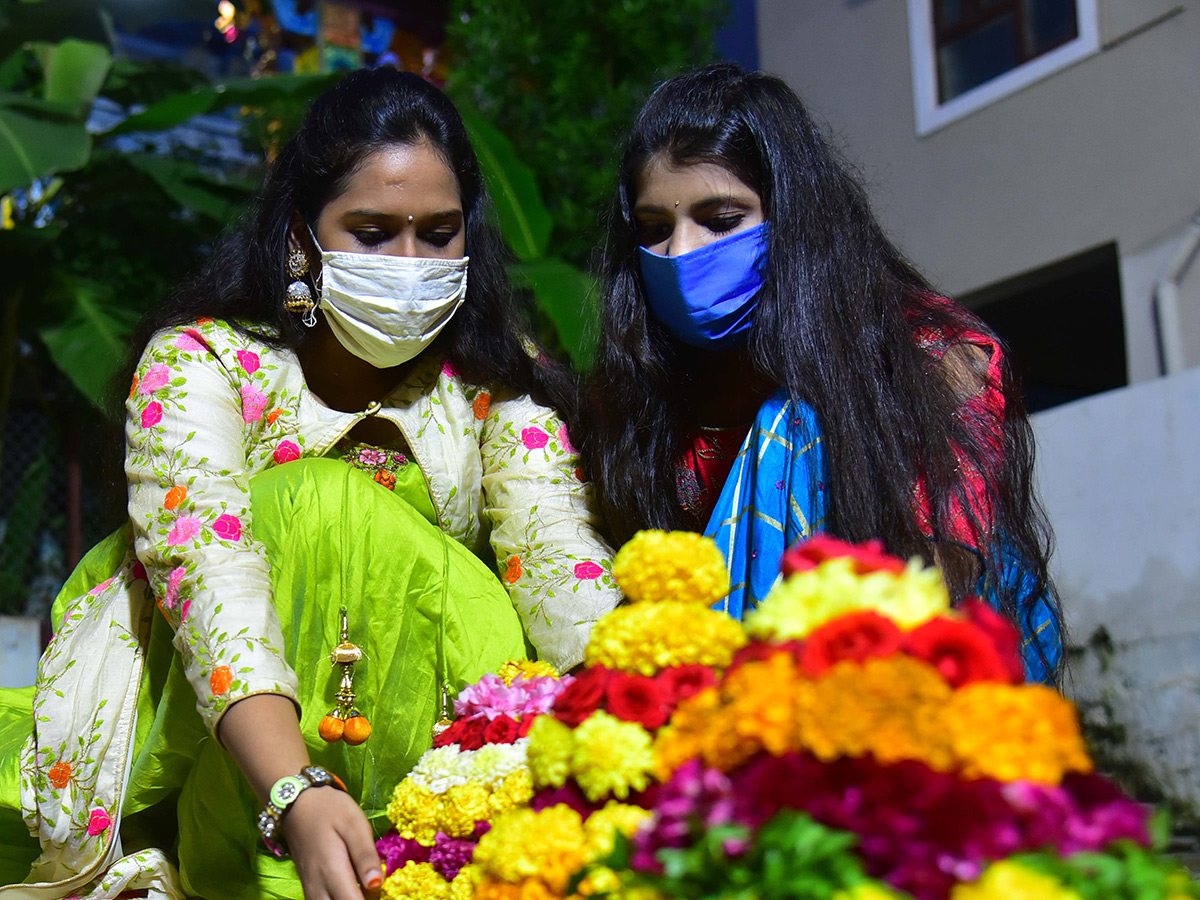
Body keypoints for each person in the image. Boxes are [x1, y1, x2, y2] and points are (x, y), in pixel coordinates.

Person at [0, 68, 620, 900]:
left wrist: (644, 724)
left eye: (437, 234)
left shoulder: (496, 385)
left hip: (424, 749)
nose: (410, 264)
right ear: (302, 236)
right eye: (371, 231)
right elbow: (208, 574)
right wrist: (294, 787)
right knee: (319, 501)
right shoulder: (201, 363)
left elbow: (556, 563)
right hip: (216, 754)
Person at [576, 63, 1062, 683]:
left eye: (721, 221)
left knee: (795, 421)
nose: (682, 254)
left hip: (898, 696)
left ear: (794, 218)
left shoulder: (931, 363)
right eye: (653, 230)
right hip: (712, 728)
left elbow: (944, 588)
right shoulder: (642, 402)